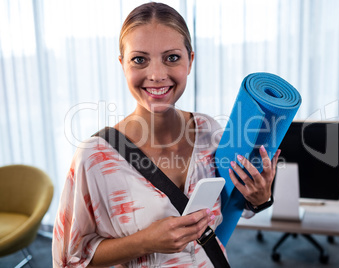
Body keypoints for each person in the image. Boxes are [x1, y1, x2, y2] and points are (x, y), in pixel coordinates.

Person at [52, 2, 280, 267]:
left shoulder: (210, 132)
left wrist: (259, 198)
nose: (157, 75)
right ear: (122, 64)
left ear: (190, 61)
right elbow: (68, 259)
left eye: (172, 57)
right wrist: (145, 241)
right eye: (139, 59)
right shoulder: (94, 157)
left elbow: (230, 207)